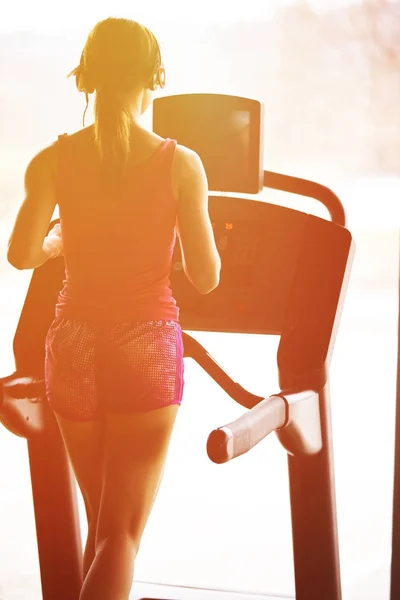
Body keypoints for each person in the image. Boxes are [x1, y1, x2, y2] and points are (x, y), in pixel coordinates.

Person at [7, 17, 221, 600]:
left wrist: (59, 240)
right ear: (154, 77)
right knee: (120, 536)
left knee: (105, 526)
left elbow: (21, 253)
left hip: (73, 343)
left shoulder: (51, 161)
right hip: (146, 344)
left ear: (87, 80)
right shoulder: (182, 164)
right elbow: (206, 278)